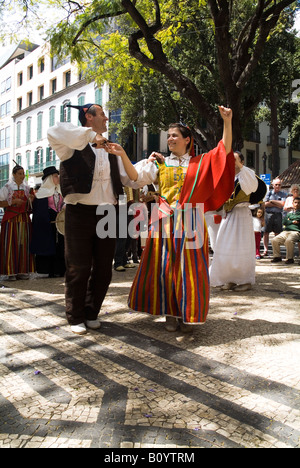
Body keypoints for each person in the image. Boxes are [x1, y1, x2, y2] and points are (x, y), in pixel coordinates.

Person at [126, 106, 235, 332]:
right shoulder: (158, 164)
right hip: (163, 220)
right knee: (164, 266)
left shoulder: (200, 163)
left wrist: (227, 122)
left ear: (188, 140)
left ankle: (188, 313)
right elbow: (135, 178)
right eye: (168, 136)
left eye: (174, 135)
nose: (170, 139)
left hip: (192, 220)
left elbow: (224, 151)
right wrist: (120, 154)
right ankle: (170, 313)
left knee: (191, 269)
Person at [47, 103, 141, 335]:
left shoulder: (111, 149)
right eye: (101, 114)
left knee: (103, 269)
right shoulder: (71, 144)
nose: (107, 118)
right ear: (88, 117)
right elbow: (53, 131)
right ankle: (75, 316)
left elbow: (129, 180)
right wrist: (91, 137)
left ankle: (91, 313)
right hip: (79, 211)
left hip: (108, 212)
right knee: (78, 267)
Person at [209, 152, 267, 292]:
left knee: (242, 248)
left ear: (241, 161)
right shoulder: (228, 177)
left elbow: (252, 188)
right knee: (225, 246)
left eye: (234, 159)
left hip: (241, 215)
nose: (231, 162)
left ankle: (244, 281)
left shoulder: (247, 174)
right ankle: (229, 279)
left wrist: (240, 166)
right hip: (228, 215)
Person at [0, 164, 35, 280]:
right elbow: (0, 203)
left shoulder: (27, 188)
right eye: (19, 174)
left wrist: (30, 199)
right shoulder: (7, 187)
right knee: (10, 244)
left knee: (24, 244)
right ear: (14, 175)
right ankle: (11, 272)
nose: (22, 176)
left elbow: (30, 205)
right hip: (11, 219)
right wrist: (13, 201)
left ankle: (22, 271)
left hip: (24, 219)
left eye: (23, 174)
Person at [30, 166, 65, 278]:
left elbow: (63, 203)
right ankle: (49, 269)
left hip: (59, 221)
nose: (58, 178)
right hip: (48, 222)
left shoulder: (59, 191)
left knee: (60, 245)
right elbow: (39, 211)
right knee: (49, 245)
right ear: (50, 178)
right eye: (55, 176)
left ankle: (60, 269)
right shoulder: (42, 193)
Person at [271, 197, 300, 264]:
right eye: (295, 202)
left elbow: (293, 220)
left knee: (289, 240)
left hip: (296, 232)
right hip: (286, 231)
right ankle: (277, 257)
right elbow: (284, 222)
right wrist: (293, 221)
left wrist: (290, 220)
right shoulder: (289, 213)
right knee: (274, 240)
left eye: (299, 203)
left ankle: (290, 258)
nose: (297, 204)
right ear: (293, 203)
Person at [262, 178, 286, 256]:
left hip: (278, 215)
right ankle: (265, 250)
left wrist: (271, 201)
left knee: (277, 233)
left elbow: (282, 204)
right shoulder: (268, 193)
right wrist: (277, 203)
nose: (277, 186)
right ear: (273, 185)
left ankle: (276, 251)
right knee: (266, 232)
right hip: (268, 214)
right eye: (276, 184)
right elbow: (265, 204)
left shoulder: (283, 194)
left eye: (279, 184)